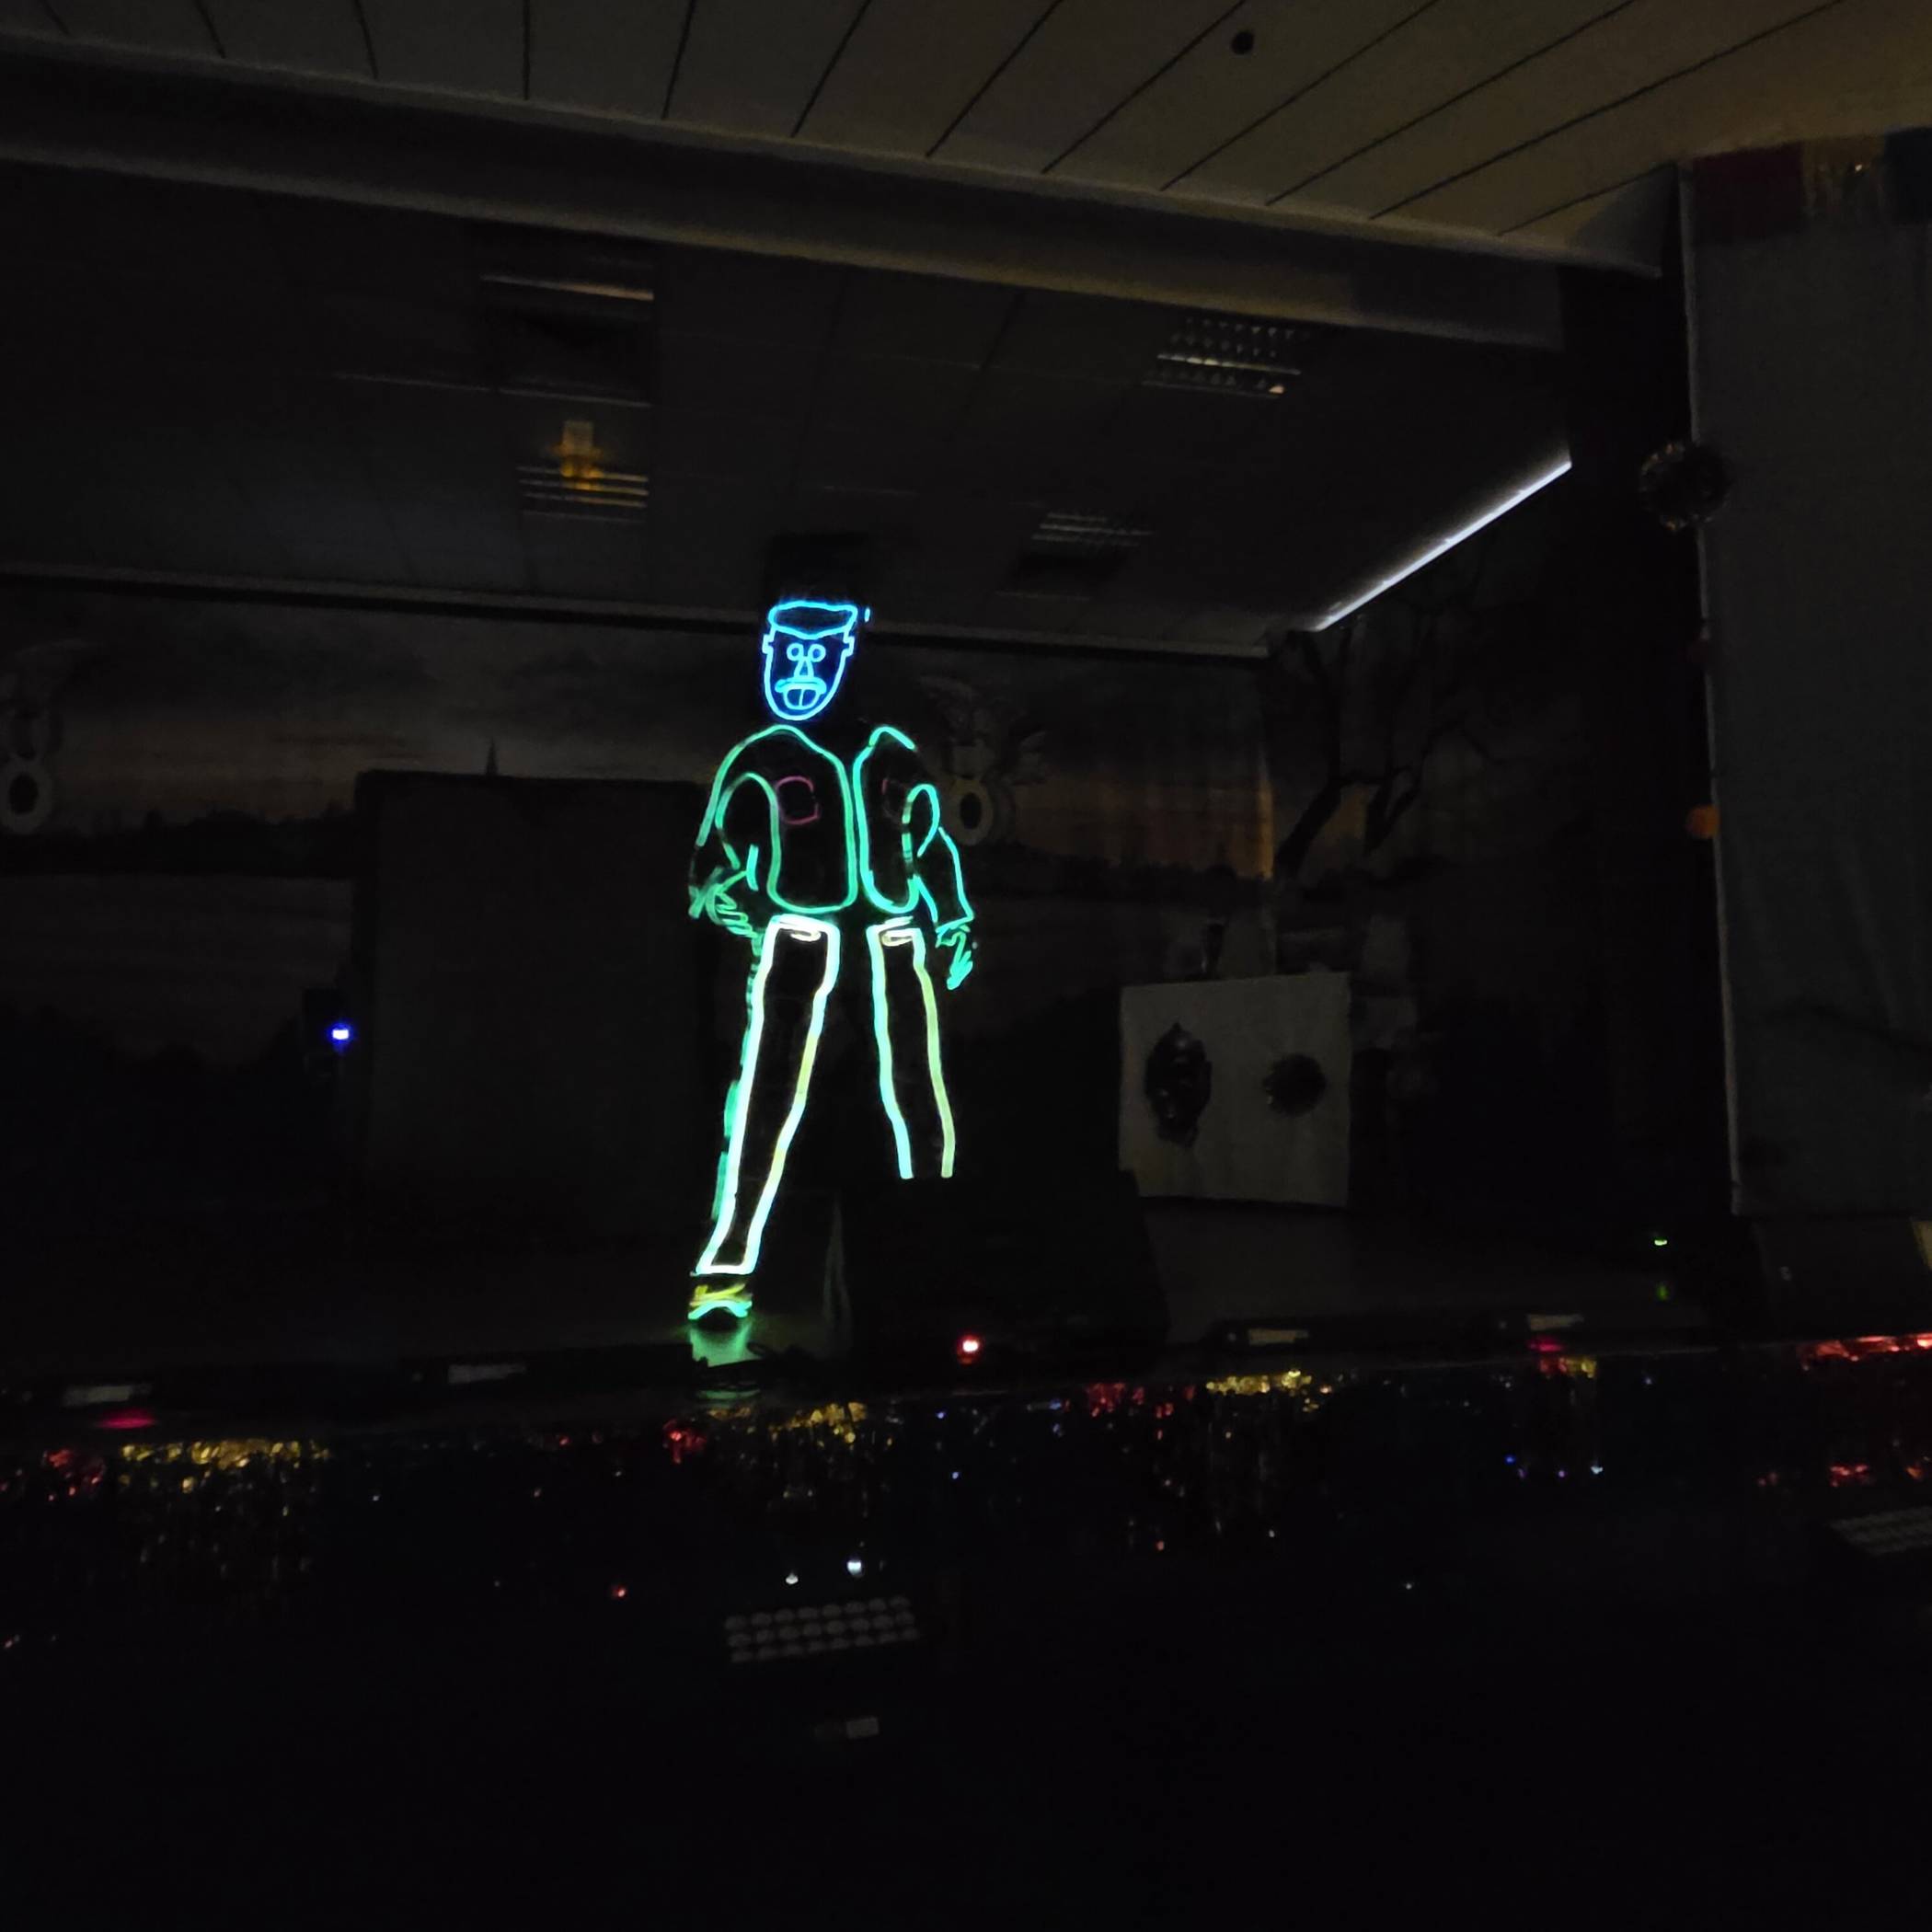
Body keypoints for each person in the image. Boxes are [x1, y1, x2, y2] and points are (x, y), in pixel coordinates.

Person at [685, 599, 976, 1321]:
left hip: (890, 940)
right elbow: (712, 859)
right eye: (789, 655)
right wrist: (735, 903)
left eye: (817, 657)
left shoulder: (890, 755)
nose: (802, 672)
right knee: (767, 1095)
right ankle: (728, 1262)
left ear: (845, 658)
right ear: (769, 655)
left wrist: (952, 918)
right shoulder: (763, 759)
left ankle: (935, 1245)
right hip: (800, 939)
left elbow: (931, 843)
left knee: (917, 1095)